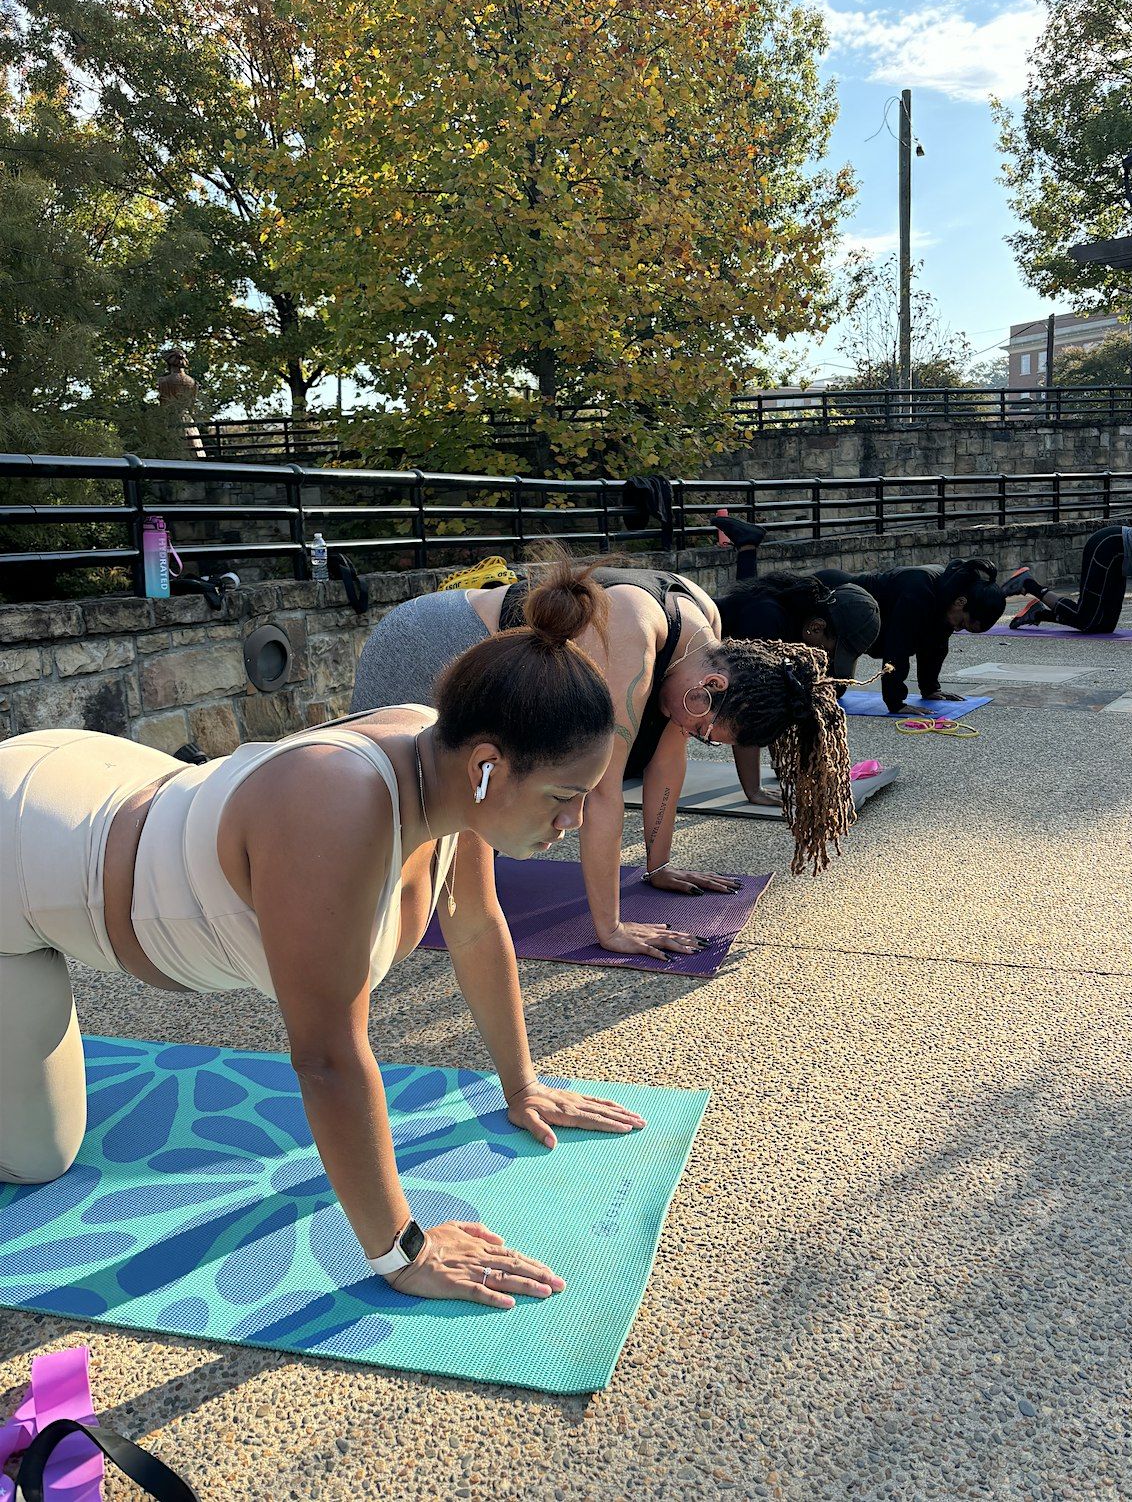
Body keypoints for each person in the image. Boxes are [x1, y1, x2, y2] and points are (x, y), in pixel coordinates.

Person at [0, 562, 648, 1313]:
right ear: (487, 767)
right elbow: (327, 1059)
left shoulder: (450, 768)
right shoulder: (338, 808)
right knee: (36, 1158)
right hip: (22, 847)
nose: (573, 825)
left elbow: (475, 930)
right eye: (565, 798)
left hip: (96, 789)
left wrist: (522, 1084)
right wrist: (403, 1250)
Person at [352, 553, 857, 956]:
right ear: (710, 685)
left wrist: (657, 867)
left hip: (496, 667)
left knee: (461, 819)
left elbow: (667, 765)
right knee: (401, 797)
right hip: (432, 644)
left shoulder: (704, 634)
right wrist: (610, 928)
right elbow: (599, 796)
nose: (691, 731)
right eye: (702, 726)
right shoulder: (632, 642)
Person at [713, 514, 881, 805]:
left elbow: (784, 704)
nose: (826, 661)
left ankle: (747, 546)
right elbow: (744, 708)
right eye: (830, 652)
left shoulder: (798, 616)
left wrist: (792, 767)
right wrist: (753, 791)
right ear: (815, 627)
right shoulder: (766, 621)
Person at [815, 558, 1006, 715]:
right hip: (829, 598)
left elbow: (935, 647)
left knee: (834, 693)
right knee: (826, 694)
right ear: (961, 602)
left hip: (854, 627)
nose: (958, 629)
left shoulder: (949, 594)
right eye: (963, 623)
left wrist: (931, 689)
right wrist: (896, 703)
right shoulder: (920, 590)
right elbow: (898, 647)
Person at [1003, 519, 1132, 632]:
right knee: (1086, 619)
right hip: (1108, 547)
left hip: (1119, 562)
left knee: (1104, 626)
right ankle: (1028, 583)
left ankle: (1039, 613)